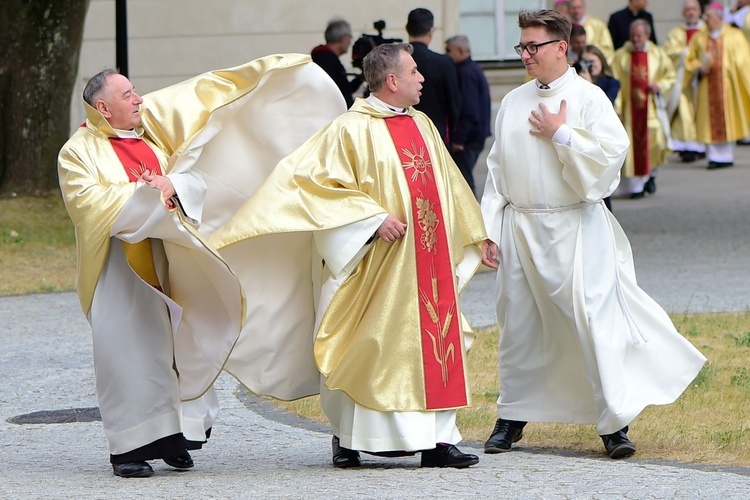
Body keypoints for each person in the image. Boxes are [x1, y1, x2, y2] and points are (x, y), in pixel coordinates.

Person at [210, 43, 488, 469]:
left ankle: (438, 440)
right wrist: (370, 219)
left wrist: (477, 234)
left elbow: (451, 184)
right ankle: (352, 438)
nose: (422, 78)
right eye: (414, 72)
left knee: (433, 344)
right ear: (392, 80)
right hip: (376, 263)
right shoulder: (349, 128)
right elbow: (314, 186)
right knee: (367, 345)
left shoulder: (424, 125)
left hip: (425, 262)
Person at [480, 9, 706, 460]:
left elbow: (608, 164)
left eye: (532, 46)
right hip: (521, 227)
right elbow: (496, 170)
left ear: (560, 48)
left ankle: (613, 424)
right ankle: (512, 416)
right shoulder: (513, 101)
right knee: (519, 325)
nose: (524, 55)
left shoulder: (589, 98)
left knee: (591, 323)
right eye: (521, 47)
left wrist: (562, 134)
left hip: (575, 227)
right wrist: (489, 231)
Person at [57, 70, 244, 478]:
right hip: (119, 270)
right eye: (128, 94)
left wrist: (170, 182)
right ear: (103, 107)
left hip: (167, 262)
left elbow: (189, 179)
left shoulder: (150, 143)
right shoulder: (78, 151)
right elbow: (87, 203)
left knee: (177, 350)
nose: (139, 98)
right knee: (128, 357)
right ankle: (128, 450)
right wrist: (148, 194)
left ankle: (177, 439)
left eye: (135, 91)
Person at [610, 19, 675, 198]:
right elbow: (615, 82)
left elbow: (670, 76)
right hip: (629, 112)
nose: (635, 39)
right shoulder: (621, 56)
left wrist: (660, 86)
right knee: (632, 147)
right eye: (632, 36)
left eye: (639, 36)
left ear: (647, 35)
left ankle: (651, 176)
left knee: (657, 142)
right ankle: (636, 187)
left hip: (651, 110)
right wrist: (617, 107)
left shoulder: (658, 54)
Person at [684, 2, 750, 169]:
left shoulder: (735, 36)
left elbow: (744, 63)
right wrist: (699, 68)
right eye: (705, 16)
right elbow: (689, 60)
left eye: (709, 16)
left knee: (729, 119)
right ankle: (714, 156)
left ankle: (726, 156)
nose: (705, 20)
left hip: (727, 88)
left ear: (719, 18)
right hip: (707, 87)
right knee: (709, 121)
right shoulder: (699, 38)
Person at [406, 8, 461, 145]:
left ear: (407, 28)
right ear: (431, 31)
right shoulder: (444, 62)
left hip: (404, 134)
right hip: (436, 136)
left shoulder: (394, 61)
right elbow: (453, 103)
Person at [445, 35, 492, 194]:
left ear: (459, 51)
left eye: (448, 50)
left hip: (469, 138)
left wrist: (459, 139)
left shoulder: (466, 73)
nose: (446, 54)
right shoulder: (470, 69)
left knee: (463, 181)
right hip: (474, 135)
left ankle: (473, 216)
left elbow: (469, 110)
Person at [664, 0, 707, 163]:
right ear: (683, 13)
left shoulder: (706, 30)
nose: (690, 12)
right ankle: (687, 147)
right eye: (687, 9)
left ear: (699, 12)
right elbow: (670, 52)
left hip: (702, 79)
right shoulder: (676, 33)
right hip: (683, 81)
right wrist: (687, 53)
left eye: (693, 9)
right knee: (684, 112)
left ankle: (702, 145)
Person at [579, 44, 620, 211]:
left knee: (601, 179)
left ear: (601, 61)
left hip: (601, 138)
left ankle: (605, 214)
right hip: (581, 137)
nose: (589, 65)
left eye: (592, 61)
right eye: (585, 62)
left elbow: (606, 103)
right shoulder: (575, 82)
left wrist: (588, 83)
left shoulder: (611, 82)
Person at [311, 18, 364, 108]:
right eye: (350, 37)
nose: (350, 42)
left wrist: (361, 78)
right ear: (342, 38)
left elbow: (344, 89)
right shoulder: (327, 60)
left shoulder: (321, 57)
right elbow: (342, 94)